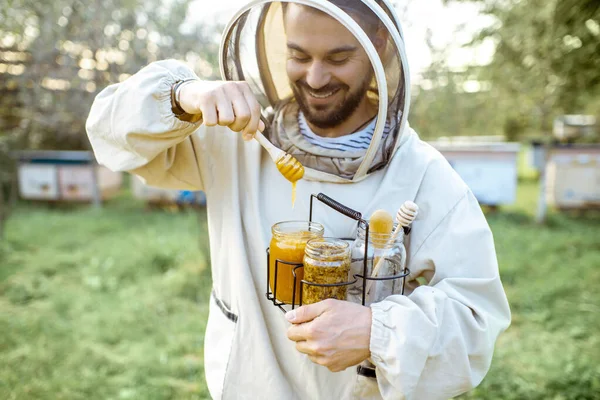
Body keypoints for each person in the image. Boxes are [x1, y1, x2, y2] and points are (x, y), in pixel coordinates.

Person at [86, 0, 511, 398]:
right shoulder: (234, 140)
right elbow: (107, 130)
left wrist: (375, 331)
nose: (315, 78)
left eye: (338, 58)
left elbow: (476, 319)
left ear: (380, 46)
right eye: (299, 55)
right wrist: (180, 97)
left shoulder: (424, 176)